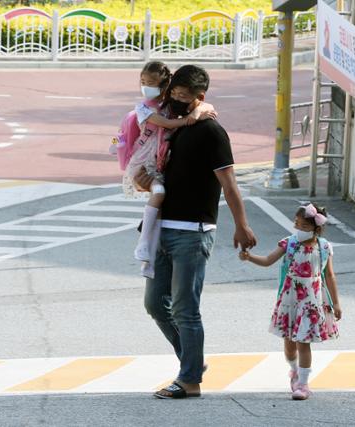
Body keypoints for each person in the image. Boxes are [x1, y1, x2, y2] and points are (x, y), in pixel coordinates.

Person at [134, 64, 257, 399]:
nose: (175, 99)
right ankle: (192, 362)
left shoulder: (211, 131)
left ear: (200, 97)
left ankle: (189, 379)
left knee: (186, 308)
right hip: (162, 228)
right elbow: (165, 176)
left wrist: (242, 225)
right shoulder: (174, 129)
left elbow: (229, 184)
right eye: (173, 92)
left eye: (183, 96)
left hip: (193, 231)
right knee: (156, 305)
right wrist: (144, 184)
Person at [239, 203, 342, 400]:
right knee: (289, 344)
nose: (299, 230)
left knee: (303, 342)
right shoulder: (289, 243)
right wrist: (249, 257)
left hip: (311, 300)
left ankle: (303, 385)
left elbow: (330, 276)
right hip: (290, 298)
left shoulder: (324, 247)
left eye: (304, 226)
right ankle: (294, 371)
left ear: (315, 229)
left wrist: (336, 303)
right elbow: (268, 260)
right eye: (297, 225)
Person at [122, 61, 216, 278]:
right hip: (143, 163)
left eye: (152, 83)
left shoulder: (168, 106)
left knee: (161, 212)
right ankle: (143, 244)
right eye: (143, 82)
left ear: (165, 86)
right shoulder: (144, 109)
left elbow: (207, 105)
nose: (146, 87)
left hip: (158, 163)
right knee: (159, 193)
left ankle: (148, 261)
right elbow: (166, 125)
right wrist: (191, 119)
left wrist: (201, 109)